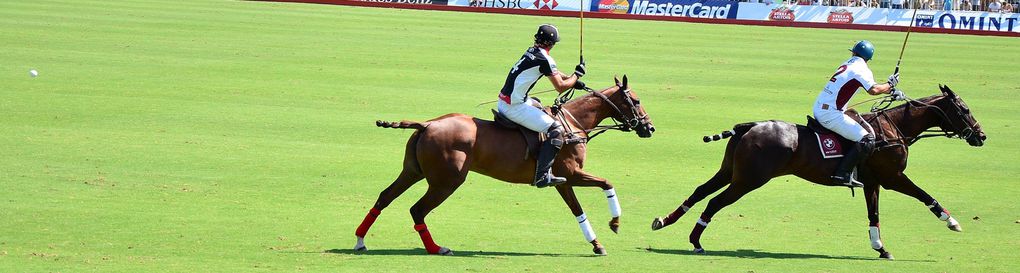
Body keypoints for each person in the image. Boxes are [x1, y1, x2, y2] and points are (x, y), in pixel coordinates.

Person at [497, 24, 586, 188]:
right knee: (556, 130)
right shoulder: (545, 58)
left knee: (537, 102)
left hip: (507, 100)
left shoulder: (531, 51)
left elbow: (553, 72)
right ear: (551, 44)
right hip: (514, 107)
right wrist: (576, 75)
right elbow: (560, 87)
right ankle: (542, 175)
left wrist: (573, 81)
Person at [813, 40, 901, 187]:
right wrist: (890, 84)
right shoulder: (862, 69)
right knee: (867, 138)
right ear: (868, 58)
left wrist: (890, 89)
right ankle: (842, 174)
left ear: (854, 53)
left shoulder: (848, 63)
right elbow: (873, 90)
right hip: (830, 114)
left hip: (821, 106)